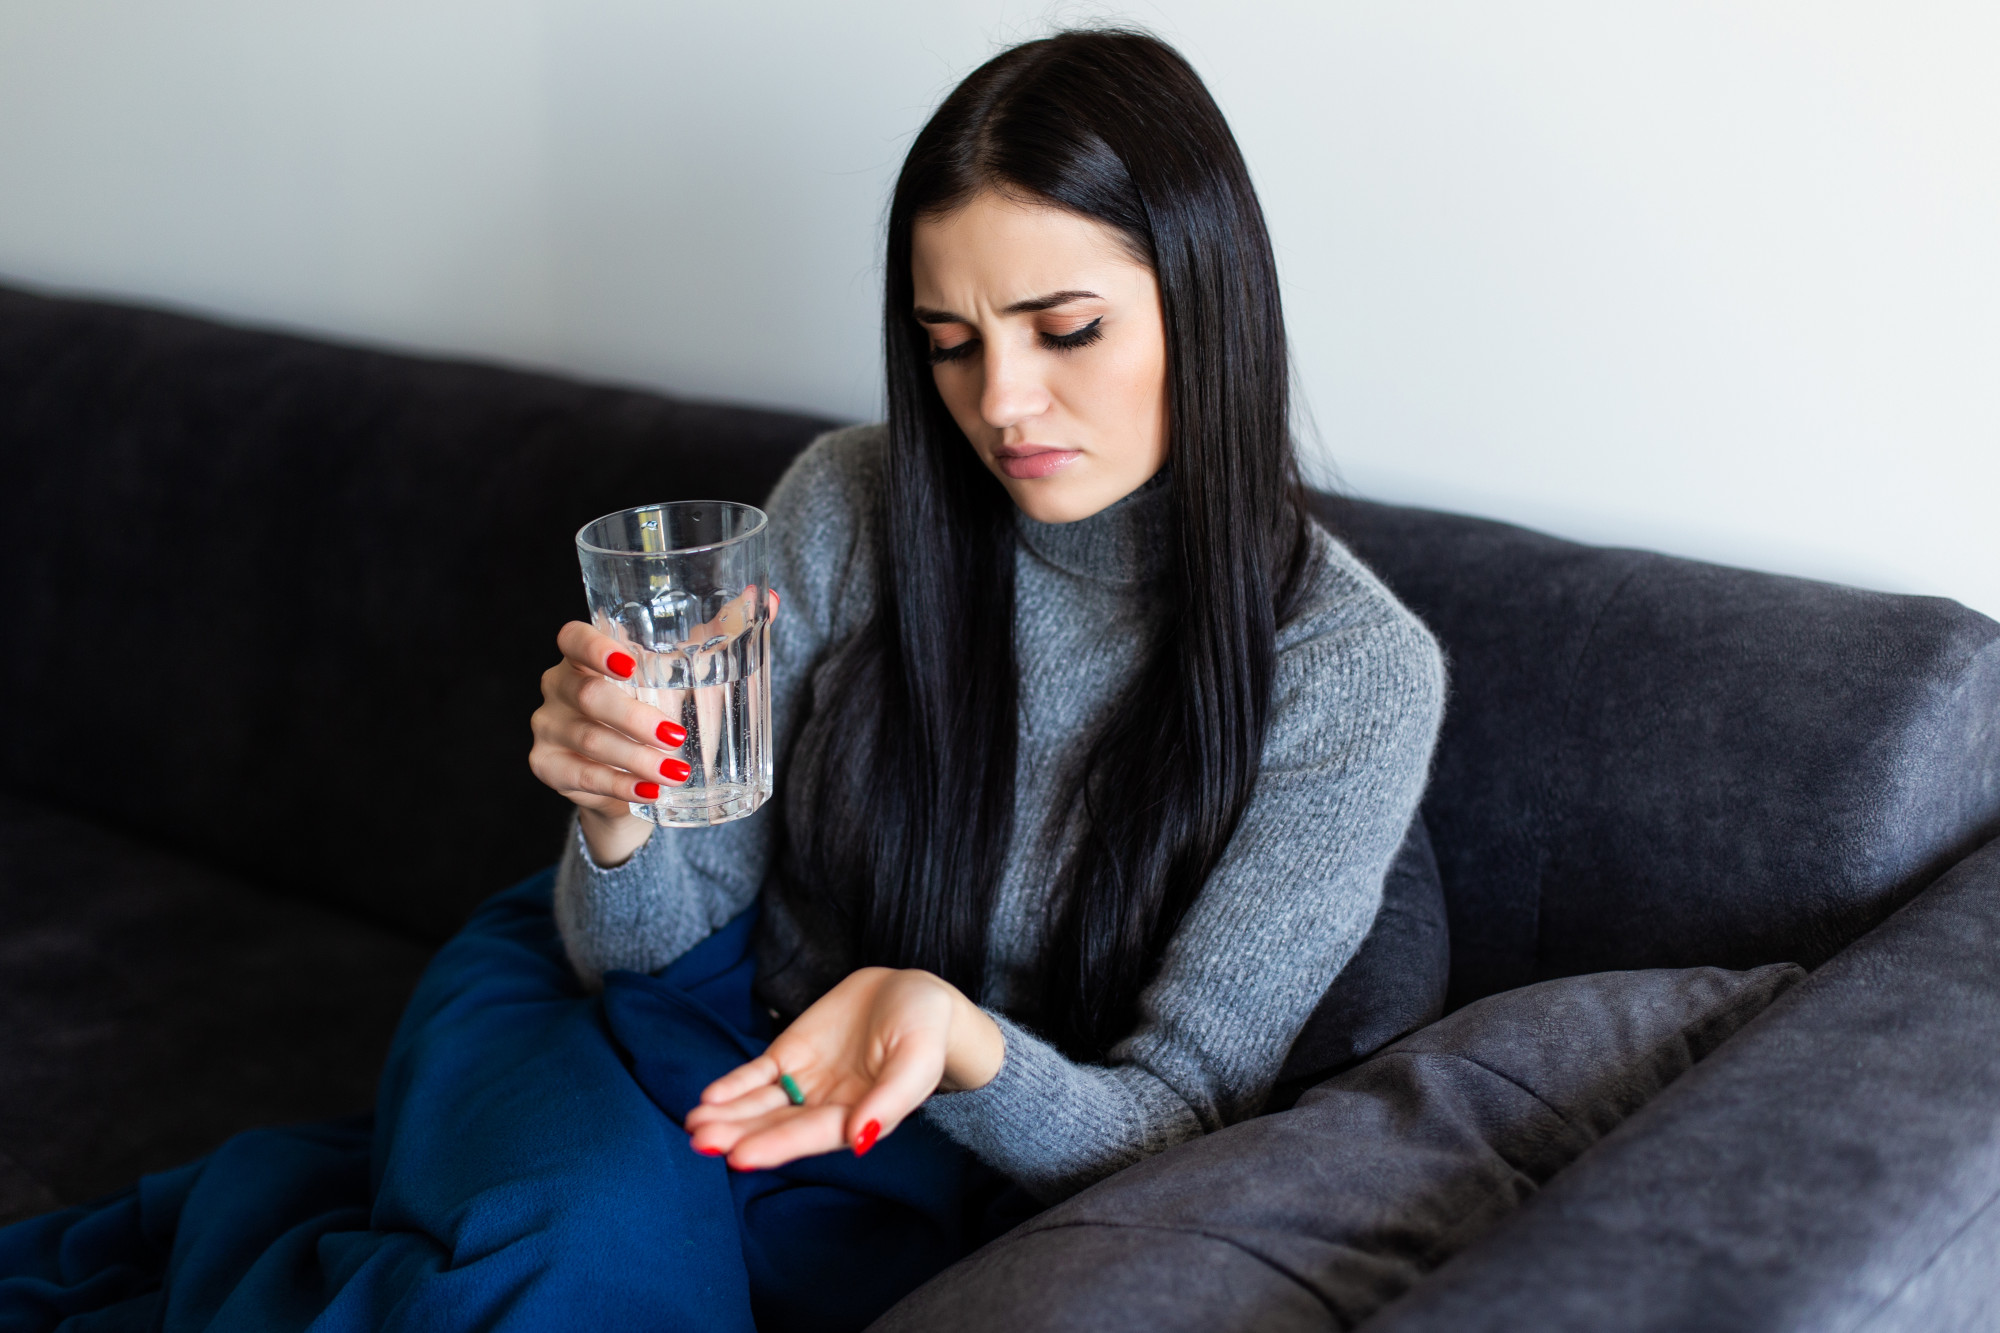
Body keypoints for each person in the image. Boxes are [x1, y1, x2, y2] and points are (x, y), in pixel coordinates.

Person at [530, 27, 1444, 1206]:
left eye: (1066, 330)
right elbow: (635, 966)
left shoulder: (1351, 671)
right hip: (674, 1045)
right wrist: (619, 819)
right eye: (949, 345)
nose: (1000, 404)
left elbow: (1178, 1120)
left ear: (1206, 299)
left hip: (924, 1161)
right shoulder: (849, 500)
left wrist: (958, 1043)